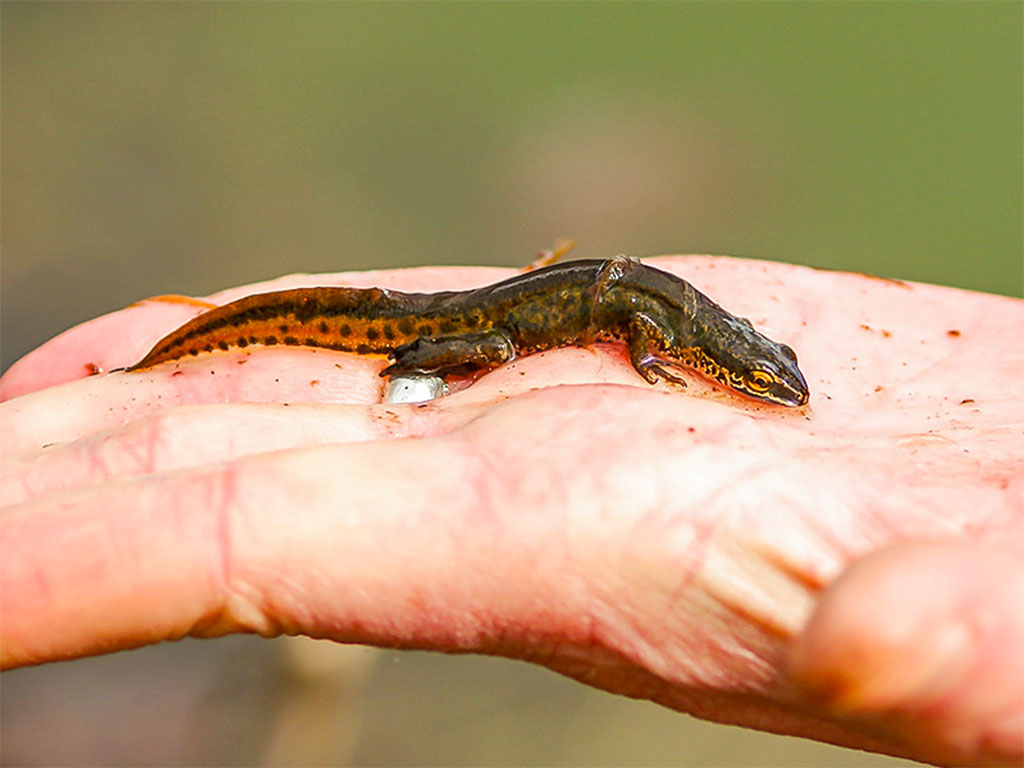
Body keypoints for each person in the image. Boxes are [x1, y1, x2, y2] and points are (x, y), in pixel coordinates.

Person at [1, 256, 1021, 766]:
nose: (762, 384)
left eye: (761, 375)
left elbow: (653, 315)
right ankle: (406, 367)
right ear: (723, 362)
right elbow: (631, 322)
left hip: (557, 296)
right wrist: (654, 370)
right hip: (489, 320)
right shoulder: (677, 336)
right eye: (756, 378)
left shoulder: (714, 334)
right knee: (472, 347)